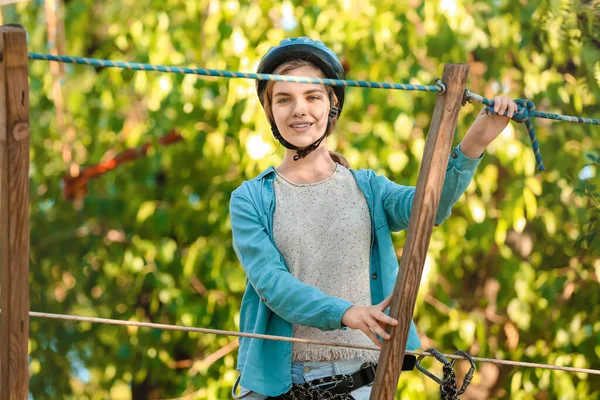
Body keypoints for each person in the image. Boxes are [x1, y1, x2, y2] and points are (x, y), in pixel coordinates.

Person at [229, 37, 517, 399]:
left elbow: (428, 209)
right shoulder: (250, 198)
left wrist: (474, 144)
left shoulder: (367, 187)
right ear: (269, 111)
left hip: (361, 384)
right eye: (283, 99)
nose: (298, 110)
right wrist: (345, 312)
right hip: (277, 385)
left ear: (333, 105)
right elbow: (272, 284)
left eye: (312, 97)